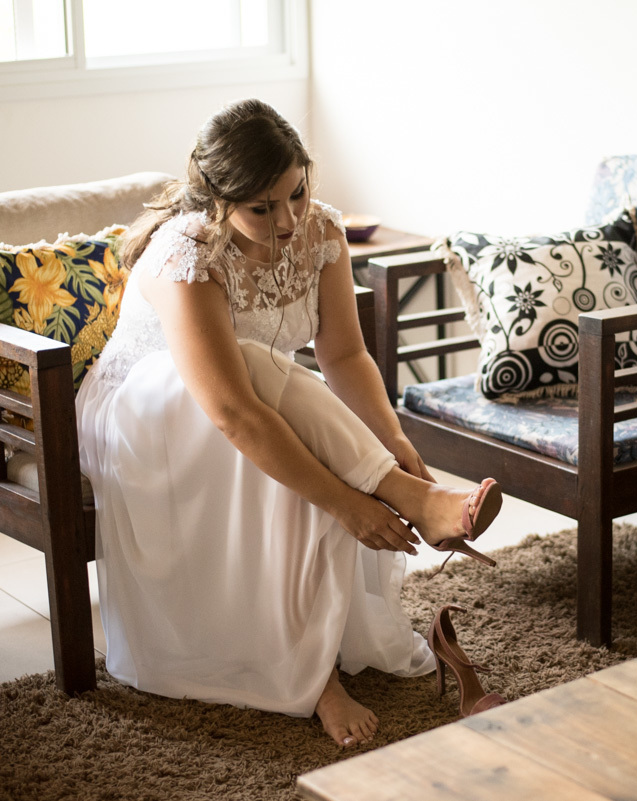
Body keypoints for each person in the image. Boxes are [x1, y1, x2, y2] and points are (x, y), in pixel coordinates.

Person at [76, 98, 502, 748]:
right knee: (271, 406)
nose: (288, 218)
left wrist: (392, 440)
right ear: (219, 204)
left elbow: (344, 355)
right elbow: (232, 413)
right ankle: (314, 675)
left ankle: (406, 497)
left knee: (284, 403)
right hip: (143, 422)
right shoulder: (185, 254)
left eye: (296, 193)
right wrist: (347, 502)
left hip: (247, 406)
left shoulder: (322, 233)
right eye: (263, 207)